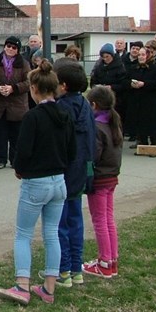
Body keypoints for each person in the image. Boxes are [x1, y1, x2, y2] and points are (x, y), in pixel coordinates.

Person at [0, 60, 76, 305]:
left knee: (23, 234)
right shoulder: (66, 115)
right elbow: (72, 151)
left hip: (36, 182)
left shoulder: (33, 117)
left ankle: (22, 285)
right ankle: (49, 288)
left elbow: (23, 150)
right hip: (59, 181)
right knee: (51, 233)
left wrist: (20, 169)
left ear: (34, 89)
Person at [49, 59, 95, 288]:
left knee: (60, 223)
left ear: (63, 85)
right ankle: (77, 268)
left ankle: (63, 270)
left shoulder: (62, 107)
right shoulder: (86, 105)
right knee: (76, 221)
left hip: (66, 171)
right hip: (83, 170)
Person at [82, 85, 123, 278]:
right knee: (108, 218)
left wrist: (86, 172)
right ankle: (111, 259)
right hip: (112, 177)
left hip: (99, 179)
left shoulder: (97, 127)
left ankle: (105, 262)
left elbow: (94, 155)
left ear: (94, 105)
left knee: (99, 220)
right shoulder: (114, 122)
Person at [0, 36, 31, 169]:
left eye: (14, 47)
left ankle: (15, 160)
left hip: (17, 104)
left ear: (17, 50)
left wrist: (13, 88)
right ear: (4, 47)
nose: (10, 49)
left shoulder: (24, 63)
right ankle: (1, 160)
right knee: (0, 135)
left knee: (16, 135)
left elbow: (28, 82)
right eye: (8, 46)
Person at [126, 43, 156, 154]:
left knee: (152, 125)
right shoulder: (134, 68)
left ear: (148, 56)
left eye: (143, 55)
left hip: (151, 101)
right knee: (140, 124)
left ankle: (153, 147)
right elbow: (125, 80)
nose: (141, 57)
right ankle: (142, 146)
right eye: (139, 55)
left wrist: (144, 84)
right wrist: (131, 84)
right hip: (137, 100)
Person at [90, 43, 127, 133]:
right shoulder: (99, 68)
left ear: (112, 56)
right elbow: (93, 81)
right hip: (102, 100)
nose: (105, 59)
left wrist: (111, 87)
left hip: (117, 99)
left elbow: (123, 84)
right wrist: (98, 87)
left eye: (107, 56)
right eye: (103, 57)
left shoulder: (120, 67)